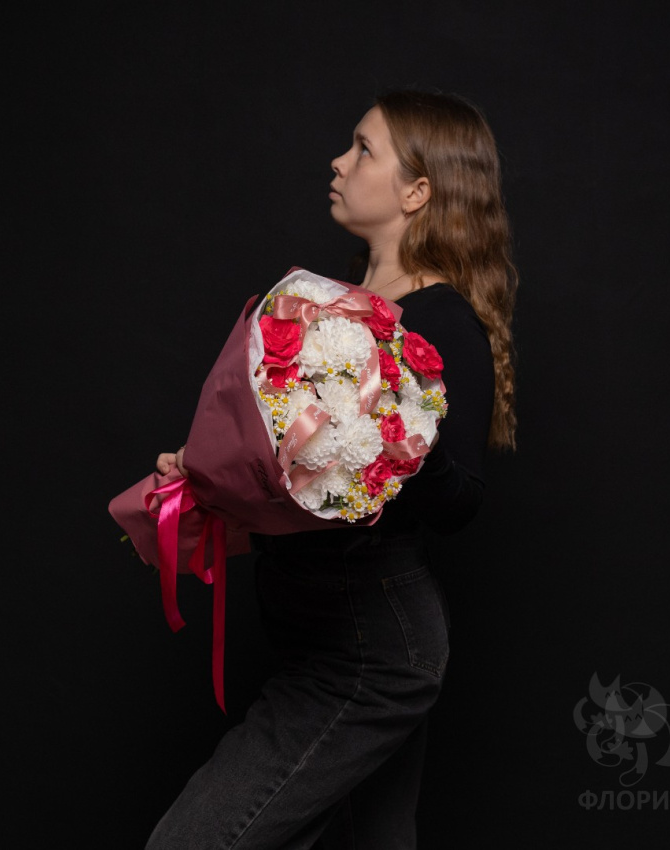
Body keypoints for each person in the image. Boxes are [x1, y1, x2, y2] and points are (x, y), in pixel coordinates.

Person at [148, 88, 518, 849]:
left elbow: (460, 503)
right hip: (313, 624)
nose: (339, 162)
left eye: (363, 149)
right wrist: (212, 476)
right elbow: (304, 480)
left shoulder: (441, 320)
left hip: (371, 643)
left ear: (416, 192)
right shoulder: (334, 308)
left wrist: (404, 435)